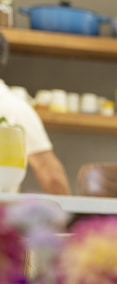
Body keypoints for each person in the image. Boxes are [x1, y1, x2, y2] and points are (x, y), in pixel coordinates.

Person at [0, 32, 71, 195]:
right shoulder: (15, 108)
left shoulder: (12, 108)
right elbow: (51, 175)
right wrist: (66, 217)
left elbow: (51, 176)